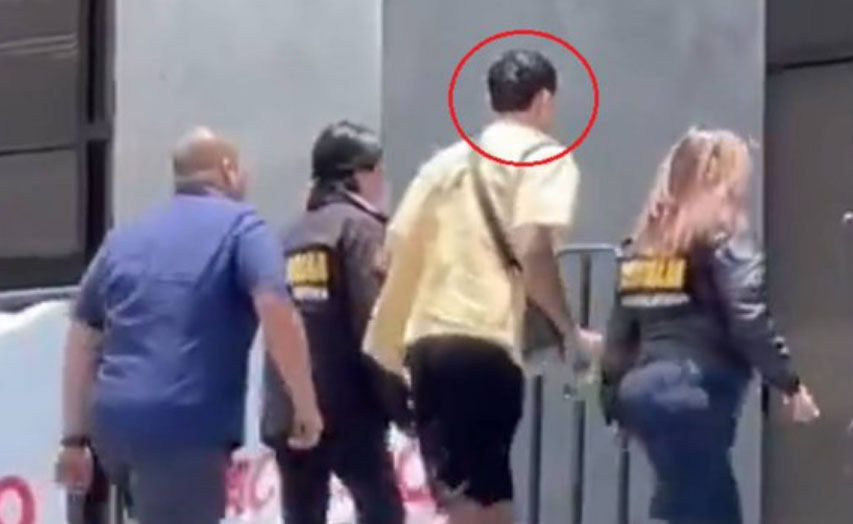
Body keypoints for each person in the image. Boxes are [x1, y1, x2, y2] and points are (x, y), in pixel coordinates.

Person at [363, 49, 601, 524]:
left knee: (468, 497)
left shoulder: (443, 165)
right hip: (482, 341)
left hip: (424, 344)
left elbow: (386, 256)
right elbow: (533, 249)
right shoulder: (541, 156)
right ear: (544, 100)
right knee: (483, 501)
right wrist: (568, 330)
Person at [55, 127, 324, 524]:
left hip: (114, 427)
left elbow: (82, 337)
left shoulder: (123, 238)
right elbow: (276, 309)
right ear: (228, 170)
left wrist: (74, 438)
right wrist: (305, 404)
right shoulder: (243, 228)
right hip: (184, 425)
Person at [599, 128, 820, 524]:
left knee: (691, 495)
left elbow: (619, 334)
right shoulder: (725, 238)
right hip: (696, 390)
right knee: (697, 498)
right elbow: (747, 315)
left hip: (641, 391)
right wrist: (788, 382)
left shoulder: (642, 247)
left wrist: (613, 401)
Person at [261, 121, 405, 524]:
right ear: (356, 175)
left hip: (289, 408)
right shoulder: (360, 228)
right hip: (349, 408)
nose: (383, 180)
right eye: (377, 170)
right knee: (383, 513)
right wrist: (401, 403)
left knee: (302, 515)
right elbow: (376, 322)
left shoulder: (289, 236)